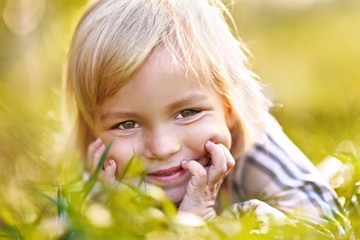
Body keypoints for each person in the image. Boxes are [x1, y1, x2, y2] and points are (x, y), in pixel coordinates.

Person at [66, 0, 351, 238]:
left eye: (187, 113)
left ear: (229, 107)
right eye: (127, 124)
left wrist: (217, 225)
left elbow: (333, 228)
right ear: (93, 132)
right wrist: (125, 214)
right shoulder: (104, 175)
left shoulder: (257, 147)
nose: (163, 147)